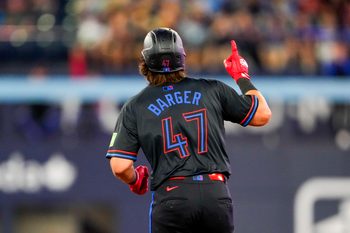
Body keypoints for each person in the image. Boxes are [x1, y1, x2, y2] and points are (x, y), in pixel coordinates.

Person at [106, 27, 271, 233]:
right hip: (215, 194)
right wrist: (242, 76)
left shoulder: (135, 106)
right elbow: (262, 114)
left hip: (172, 196)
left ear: (145, 62)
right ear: (182, 58)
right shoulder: (212, 89)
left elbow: (120, 166)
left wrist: (136, 179)